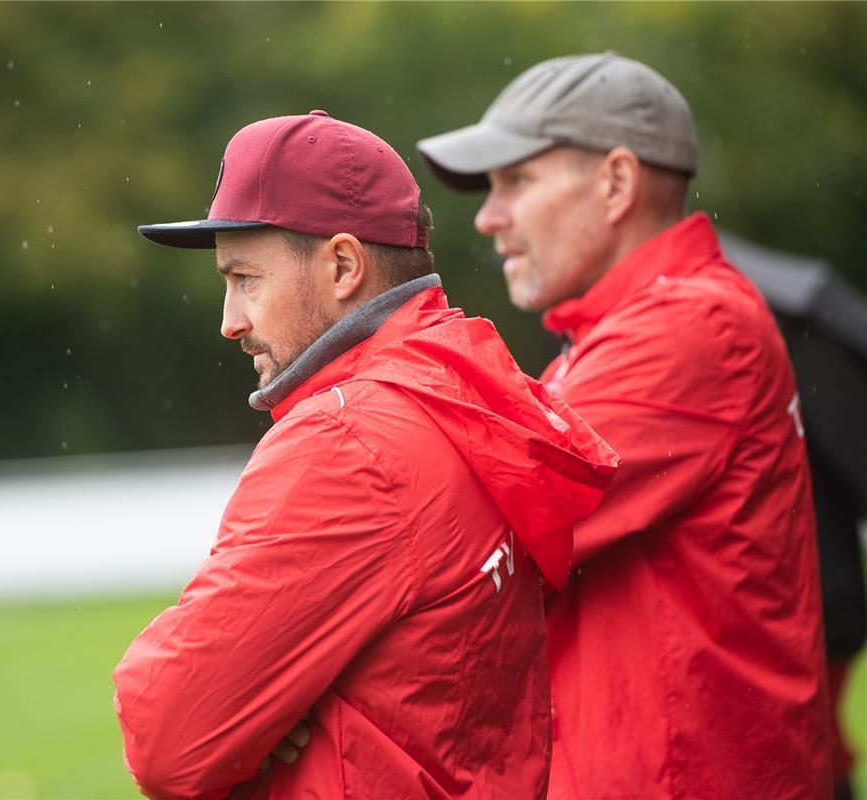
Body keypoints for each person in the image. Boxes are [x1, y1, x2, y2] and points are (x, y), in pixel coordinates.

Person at [114, 110, 618, 799]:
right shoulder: (461, 393)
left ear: (344, 266)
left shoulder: (349, 441)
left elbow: (167, 736)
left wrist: (266, 715)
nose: (229, 321)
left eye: (246, 279)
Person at [417, 52, 834, 799]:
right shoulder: (633, 329)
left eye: (517, 181)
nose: (488, 216)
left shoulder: (689, 326)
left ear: (615, 183)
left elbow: (462, 538)